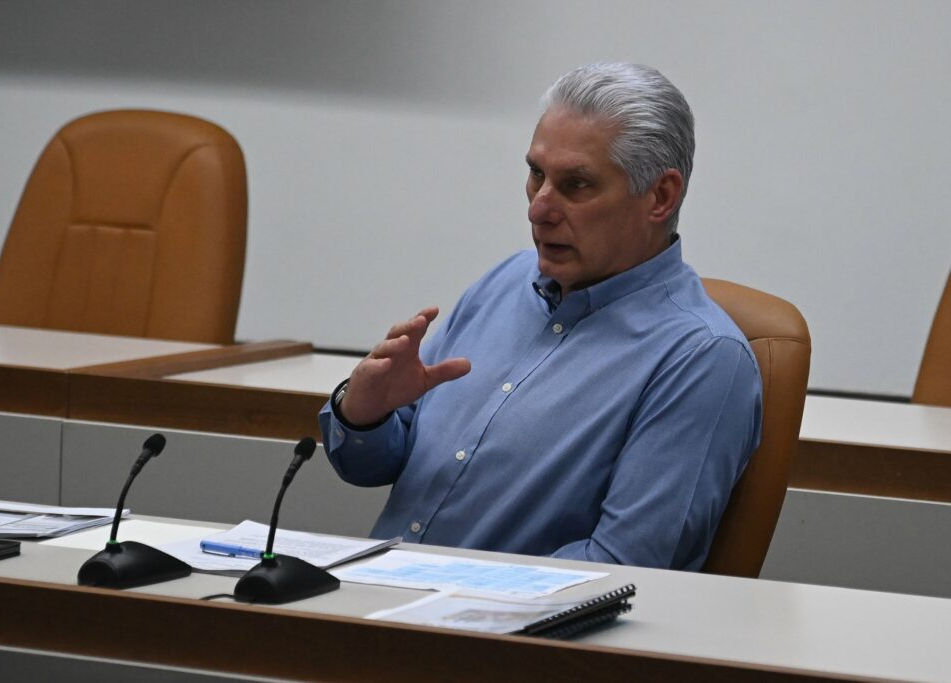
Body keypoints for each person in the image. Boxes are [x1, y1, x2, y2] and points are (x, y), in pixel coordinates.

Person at [318, 62, 762, 571]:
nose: (539, 209)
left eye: (576, 184)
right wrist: (364, 414)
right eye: (536, 174)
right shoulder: (506, 281)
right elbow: (370, 464)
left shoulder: (702, 358)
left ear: (660, 197)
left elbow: (625, 566)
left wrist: (441, 589)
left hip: (494, 621)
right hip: (374, 597)